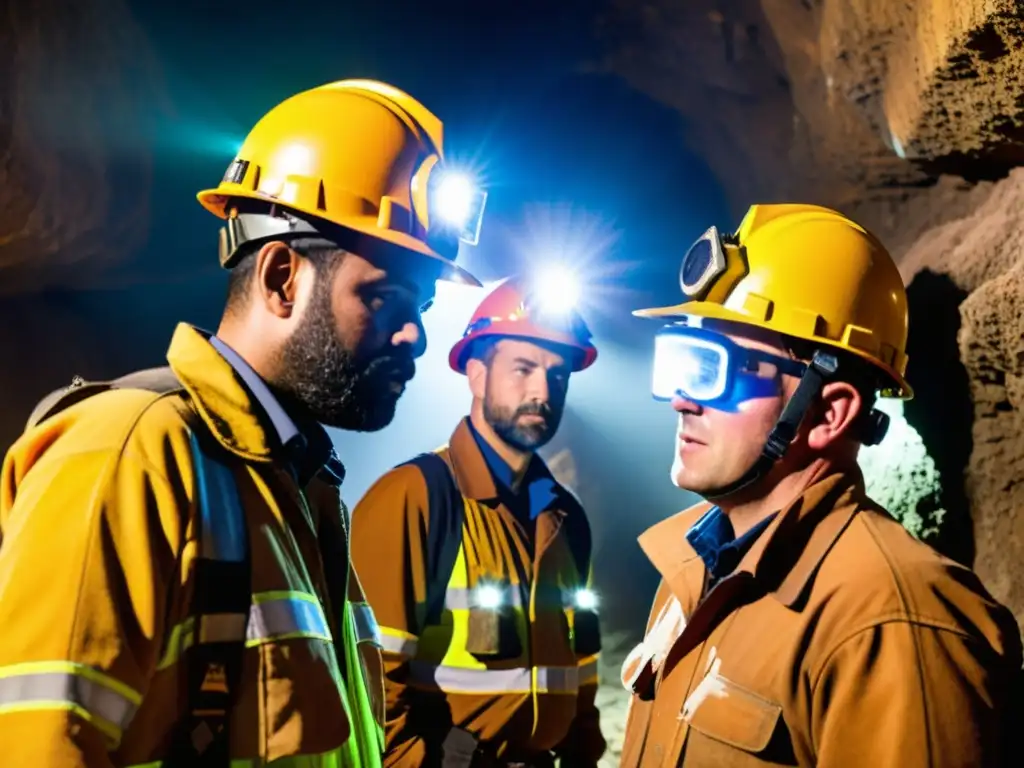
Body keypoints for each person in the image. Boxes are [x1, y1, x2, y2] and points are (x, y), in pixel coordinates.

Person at [0, 78, 487, 768]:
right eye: (383, 299)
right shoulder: (131, 455)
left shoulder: (299, 494)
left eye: (424, 308)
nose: (415, 337)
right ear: (282, 276)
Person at [618, 203, 1023, 767]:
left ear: (829, 412)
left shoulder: (890, 624)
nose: (683, 399)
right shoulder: (690, 575)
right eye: (682, 363)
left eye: (714, 369)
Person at [350, 277, 607, 768]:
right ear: (475, 374)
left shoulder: (566, 518)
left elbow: (583, 668)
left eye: (557, 376)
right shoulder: (414, 498)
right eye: (523, 369)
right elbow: (372, 691)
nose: (542, 391)